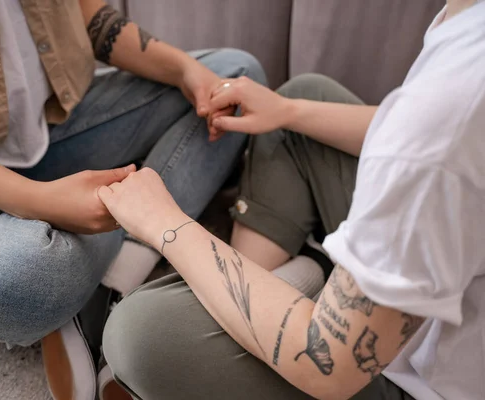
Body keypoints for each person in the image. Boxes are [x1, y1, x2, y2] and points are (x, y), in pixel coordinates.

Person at [101, 1, 485, 399]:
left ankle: (298, 285)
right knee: (302, 100)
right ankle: (304, 276)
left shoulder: (457, 98)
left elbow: (329, 367)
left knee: (141, 334)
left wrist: (166, 225)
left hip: (415, 383)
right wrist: (288, 111)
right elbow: (417, 134)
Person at [0, 0, 265, 398]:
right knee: (16, 282)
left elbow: (90, 18)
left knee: (234, 84)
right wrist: (36, 201)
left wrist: (184, 70)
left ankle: (111, 287)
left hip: (54, 126)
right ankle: (118, 235)